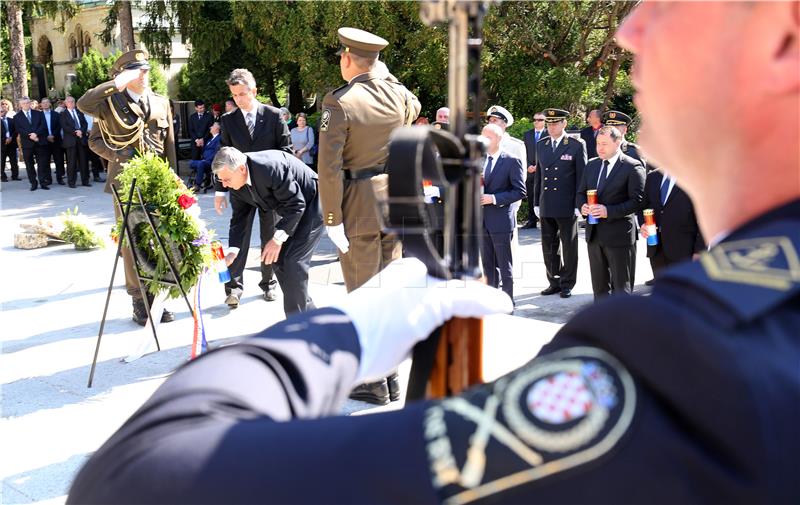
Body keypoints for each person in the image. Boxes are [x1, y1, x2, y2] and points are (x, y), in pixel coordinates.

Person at [67, 2, 800, 503]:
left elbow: (137, 478)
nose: (632, 31)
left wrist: (339, 332)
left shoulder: (695, 358)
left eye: (664, 3)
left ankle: (372, 375)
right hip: (391, 209)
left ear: (783, 33)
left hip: (357, 212)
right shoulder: (400, 99)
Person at [318, 27, 420, 405]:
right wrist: (384, 76)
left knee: (363, 294)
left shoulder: (339, 102)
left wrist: (331, 218)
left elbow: (328, 168)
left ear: (347, 58)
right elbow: (415, 106)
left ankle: (373, 383)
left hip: (358, 203)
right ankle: (390, 377)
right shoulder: (398, 94)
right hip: (395, 202)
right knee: (387, 293)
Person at [78, 49, 177, 326]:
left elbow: (168, 145)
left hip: (159, 182)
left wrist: (173, 178)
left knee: (160, 240)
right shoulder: (107, 104)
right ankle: (139, 300)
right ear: (123, 75)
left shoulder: (160, 102)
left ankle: (159, 297)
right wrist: (120, 156)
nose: (143, 75)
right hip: (125, 182)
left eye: (145, 70)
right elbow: (93, 134)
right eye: (137, 71)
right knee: (133, 243)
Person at [212, 147, 323, 316]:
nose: (225, 185)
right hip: (290, 208)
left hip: (312, 202)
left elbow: (297, 204)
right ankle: (309, 316)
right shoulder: (236, 183)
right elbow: (239, 219)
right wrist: (233, 251)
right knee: (277, 260)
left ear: (241, 169)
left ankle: (298, 327)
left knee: (294, 263)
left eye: (226, 179)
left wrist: (277, 240)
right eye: (221, 181)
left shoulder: (270, 167)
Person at [214, 68, 290, 308]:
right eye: (234, 95)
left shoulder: (274, 115)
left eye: (242, 94)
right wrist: (220, 190)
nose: (238, 99)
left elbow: (286, 154)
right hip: (241, 191)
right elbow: (222, 156)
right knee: (239, 234)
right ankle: (234, 288)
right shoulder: (228, 120)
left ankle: (269, 283)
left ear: (254, 91)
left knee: (270, 235)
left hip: (270, 192)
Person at [578, 126, 646, 299]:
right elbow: (580, 193)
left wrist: (608, 211)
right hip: (594, 235)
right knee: (599, 287)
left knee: (621, 286)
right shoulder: (592, 165)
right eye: (598, 143)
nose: (600, 148)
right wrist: (582, 207)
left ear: (618, 142)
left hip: (619, 236)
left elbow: (637, 201)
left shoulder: (632, 166)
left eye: (605, 144)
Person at [533, 108, 587, 299]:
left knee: (569, 246)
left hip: (567, 203)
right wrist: (535, 202)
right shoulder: (542, 144)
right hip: (546, 202)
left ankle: (567, 282)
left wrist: (579, 204)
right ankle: (553, 281)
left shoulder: (575, 145)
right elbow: (539, 176)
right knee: (548, 245)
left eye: (555, 123)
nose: (551, 126)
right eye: (549, 123)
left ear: (564, 123)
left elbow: (582, 176)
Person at [479, 123, 525, 301]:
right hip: (481, 220)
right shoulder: (478, 160)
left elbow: (520, 191)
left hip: (500, 220)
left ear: (499, 139)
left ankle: (507, 300)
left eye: (489, 137)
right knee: (488, 264)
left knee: (504, 264)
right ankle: (492, 300)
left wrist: (494, 199)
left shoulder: (511, 161)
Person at [639, 169, 705, 281]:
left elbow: (704, 219)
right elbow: (642, 206)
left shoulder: (695, 177)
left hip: (684, 252)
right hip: (656, 250)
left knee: (684, 295)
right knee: (662, 294)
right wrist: (642, 225)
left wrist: (699, 251)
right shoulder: (652, 176)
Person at [13, 96, 49, 191]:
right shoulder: (16, 117)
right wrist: (30, 135)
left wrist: (36, 134)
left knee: (42, 163)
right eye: (24, 103)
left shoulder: (38, 113)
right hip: (27, 144)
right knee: (29, 165)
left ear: (30, 103)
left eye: (27, 103)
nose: (26, 105)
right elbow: (19, 129)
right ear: (20, 105)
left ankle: (43, 182)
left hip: (39, 141)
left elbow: (43, 126)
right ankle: (33, 183)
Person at [521, 111, 548, 229]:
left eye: (540, 120)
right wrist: (527, 166)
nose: (536, 122)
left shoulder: (549, 134)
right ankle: (531, 220)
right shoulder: (527, 134)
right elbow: (523, 153)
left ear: (545, 121)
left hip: (544, 171)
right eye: (535, 119)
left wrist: (539, 166)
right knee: (531, 196)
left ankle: (545, 220)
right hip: (530, 171)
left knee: (545, 196)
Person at [59, 96, 90, 188]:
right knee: (71, 163)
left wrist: (81, 131)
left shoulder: (79, 112)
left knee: (84, 161)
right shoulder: (63, 114)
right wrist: (76, 132)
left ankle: (85, 181)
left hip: (81, 140)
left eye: (73, 101)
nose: (71, 103)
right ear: (65, 103)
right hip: (71, 141)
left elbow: (85, 124)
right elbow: (65, 126)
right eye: (69, 102)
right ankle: (71, 182)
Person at [188, 121, 222, 193]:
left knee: (201, 164)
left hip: (211, 161)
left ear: (217, 129)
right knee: (191, 163)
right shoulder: (210, 139)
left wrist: (206, 160)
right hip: (205, 160)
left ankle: (197, 185)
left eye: (212, 126)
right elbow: (205, 151)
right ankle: (202, 179)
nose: (210, 127)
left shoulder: (219, 139)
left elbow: (216, 152)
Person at [38, 98, 65, 186]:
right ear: (41, 105)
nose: (45, 104)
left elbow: (59, 126)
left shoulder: (56, 114)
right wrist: (47, 136)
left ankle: (60, 178)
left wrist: (53, 135)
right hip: (44, 141)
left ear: (50, 104)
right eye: (43, 103)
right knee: (46, 161)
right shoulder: (38, 115)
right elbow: (38, 128)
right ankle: (48, 179)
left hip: (56, 140)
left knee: (59, 160)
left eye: (47, 103)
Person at [1, 98, 20, 182]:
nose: (2, 113)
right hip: (2, 144)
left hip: (12, 143)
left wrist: (11, 137)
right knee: (2, 161)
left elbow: (16, 131)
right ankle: (3, 177)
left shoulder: (11, 120)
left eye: (4, 112)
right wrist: (5, 139)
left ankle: (15, 176)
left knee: (13, 161)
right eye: (1, 111)